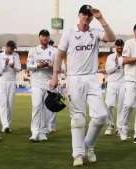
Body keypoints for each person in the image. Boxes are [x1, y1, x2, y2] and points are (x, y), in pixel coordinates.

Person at [49, 4, 116, 167]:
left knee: (101, 116)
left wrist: (101, 18)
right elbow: (59, 55)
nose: (87, 17)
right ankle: (78, 155)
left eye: (89, 15)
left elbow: (112, 38)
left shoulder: (95, 32)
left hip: (91, 78)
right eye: (84, 14)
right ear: (79, 15)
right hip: (74, 78)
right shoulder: (69, 33)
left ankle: (88, 146)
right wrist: (55, 76)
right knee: (78, 119)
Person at [27, 29, 65, 141]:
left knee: (46, 109)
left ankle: (43, 132)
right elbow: (28, 66)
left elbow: (62, 69)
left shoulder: (55, 51)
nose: (45, 38)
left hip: (49, 84)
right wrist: (38, 66)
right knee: (37, 105)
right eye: (43, 36)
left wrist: (49, 66)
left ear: (49, 38)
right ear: (39, 37)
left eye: (47, 36)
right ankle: (35, 132)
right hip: (36, 83)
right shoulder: (33, 50)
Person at [0, 40, 21, 133]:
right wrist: (5, 65)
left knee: (10, 105)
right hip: (1, 81)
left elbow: (19, 69)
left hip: (11, 81)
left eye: (13, 48)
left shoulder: (16, 55)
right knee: (2, 104)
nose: (12, 50)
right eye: (11, 48)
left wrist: (13, 66)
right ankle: (5, 125)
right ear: (6, 47)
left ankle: (7, 125)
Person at [104, 39, 125, 136]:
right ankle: (110, 124)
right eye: (118, 45)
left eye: (121, 45)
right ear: (115, 46)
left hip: (123, 83)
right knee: (109, 104)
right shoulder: (111, 57)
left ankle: (119, 128)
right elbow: (108, 71)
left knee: (121, 106)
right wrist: (116, 65)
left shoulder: (126, 57)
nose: (119, 47)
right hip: (112, 83)